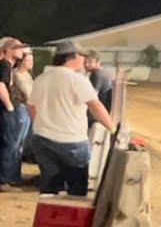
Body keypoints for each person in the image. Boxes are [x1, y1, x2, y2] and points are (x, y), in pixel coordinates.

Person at [28, 41, 117, 196]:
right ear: (72, 56)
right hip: (72, 141)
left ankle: (50, 217)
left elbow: (31, 106)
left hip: (43, 139)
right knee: (76, 188)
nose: (83, 60)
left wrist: (39, 125)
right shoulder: (77, 80)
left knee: (49, 186)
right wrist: (112, 128)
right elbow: (95, 106)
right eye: (82, 56)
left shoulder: (41, 78)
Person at [0, 38, 27, 190]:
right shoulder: (5, 65)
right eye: (18, 48)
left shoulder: (7, 65)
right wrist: (9, 106)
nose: (22, 51)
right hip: (5, 109)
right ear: (9, 49)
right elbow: (1, 85)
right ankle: (4, 180)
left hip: (5, 109)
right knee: (9, 143)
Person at [84, 52, 115, 123]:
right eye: (85, 62)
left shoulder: (97, 74)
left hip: (100, 110)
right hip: (106, 108)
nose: (86, 64)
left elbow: (93, 96)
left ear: (98, 62)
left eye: (90, 62)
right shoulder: (104, 71)